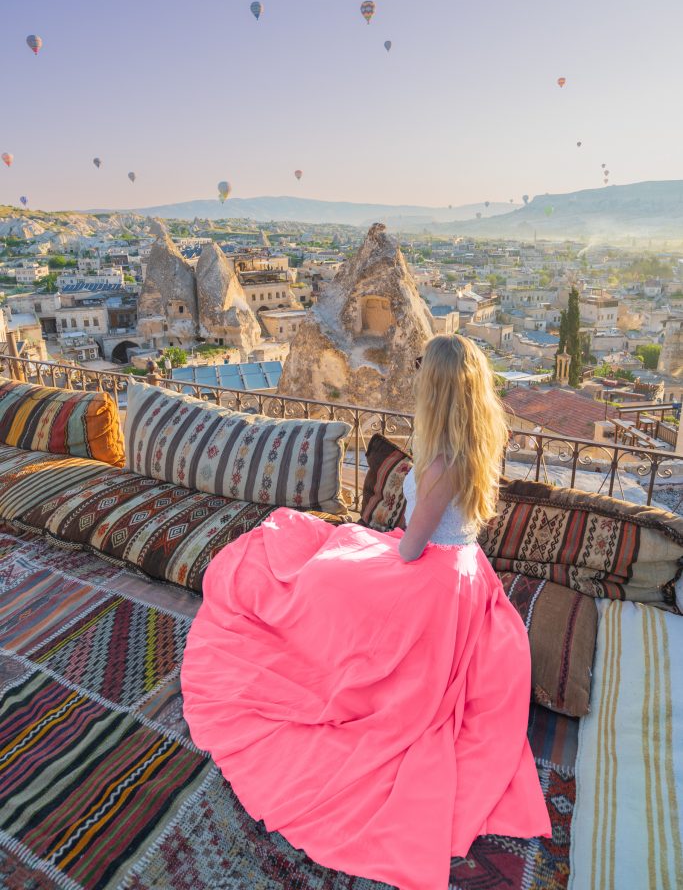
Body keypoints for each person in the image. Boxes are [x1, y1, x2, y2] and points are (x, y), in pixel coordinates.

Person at [181, 334, 552, 890]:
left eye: (422, 365)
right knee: (333, 556)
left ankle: (306, 648)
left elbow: (409, 545)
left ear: (438, 387)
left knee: (323, 574)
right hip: (463, 571)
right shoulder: (475, 443)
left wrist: (380, 546)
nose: (415, 369)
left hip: (431, 577)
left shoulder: (443, 462)